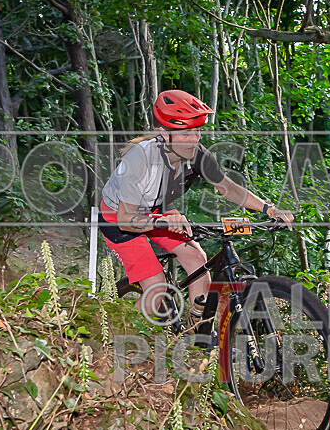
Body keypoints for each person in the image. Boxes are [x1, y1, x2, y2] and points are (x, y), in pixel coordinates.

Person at [98, 89, 294, 328]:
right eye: (185, 133)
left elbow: (228, 188)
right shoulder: (141, 159)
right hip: (118, 218)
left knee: (197, 258)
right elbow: (126, 219)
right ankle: (120, 332)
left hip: (156, 209)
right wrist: (163, 221)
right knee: (157, 291)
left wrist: (269, 209)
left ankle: (195, 329)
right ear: (163, 134)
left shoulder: (197, 154)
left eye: (197, 131)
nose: (194, 139)